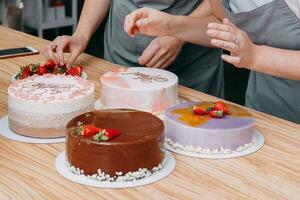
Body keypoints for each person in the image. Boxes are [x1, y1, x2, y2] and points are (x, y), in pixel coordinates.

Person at [124, 0, 300, 123]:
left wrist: (256, 56)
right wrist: (172, 26)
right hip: (265, 107)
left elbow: (252, 53)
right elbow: (221, 25)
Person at [43, 0, 225, 97]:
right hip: (122, 48)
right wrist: (81, 34)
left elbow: (220, 4)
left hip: (192, 56)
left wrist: (176, 33)